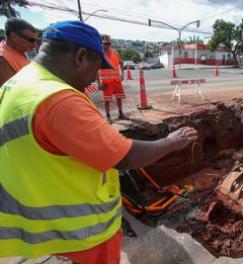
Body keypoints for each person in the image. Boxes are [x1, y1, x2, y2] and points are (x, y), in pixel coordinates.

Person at [0, 20, 198, 263]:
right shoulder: (58, 100)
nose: (97, 77)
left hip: (42, 217)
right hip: (80, 231)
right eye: (97, 67)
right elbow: (126, 157)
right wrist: (171, 141)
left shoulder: (17, 84)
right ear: (80, 56)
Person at [0, 18, 37, 86]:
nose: (35, 44)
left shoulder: (20, 51)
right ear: (14, 37)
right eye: (31, 40)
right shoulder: (2, 59)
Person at [98, 34, 126, 121]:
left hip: (116, 80)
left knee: (119, 98)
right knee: (107, 100)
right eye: (104, 43)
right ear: (101, 44)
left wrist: (122, 74)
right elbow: (96, 68)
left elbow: (121, 63)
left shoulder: (115, 52)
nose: (106, 45)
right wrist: (98, 82)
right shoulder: (100, 54)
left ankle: (121, 113)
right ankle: (108, 116)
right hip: (106, 82)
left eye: (108, 43)